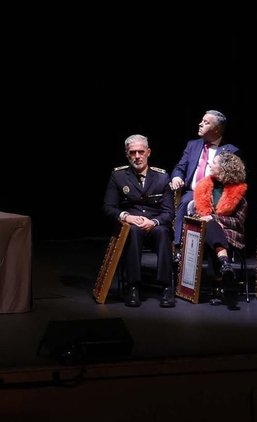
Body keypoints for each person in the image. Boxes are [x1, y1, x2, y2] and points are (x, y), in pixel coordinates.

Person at [101, 135, 177, 308]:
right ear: (127, 155)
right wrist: (127, 217)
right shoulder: (118, 176)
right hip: (131, 224)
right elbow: (108, 207)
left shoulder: (162, 177)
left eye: (141, 152)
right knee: (132, 231)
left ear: (148, 152)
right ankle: (133, 286)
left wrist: (154, 222)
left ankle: (166, 287)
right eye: (132, 152)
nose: (137, 156)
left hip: (155, 224)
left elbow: (168, 212)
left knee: (164, 232)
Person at [168, 110, 240, 245]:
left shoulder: (230, 150)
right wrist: (176, 177)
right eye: (202, 121)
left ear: (217, 129)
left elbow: (231, 179)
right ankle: (179, 245)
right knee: (184, 202)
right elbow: (180, 167)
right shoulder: (193, 145)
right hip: (192, 192)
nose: (200, 124)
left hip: (215, 194)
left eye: (206, 123)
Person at [192, 151, 249, 307]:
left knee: (211, 230)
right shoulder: (204, 187)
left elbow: (238, 222)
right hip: (205, 232)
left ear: (225, 168)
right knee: (210, 229)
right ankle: (225, 265)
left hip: (231, 234)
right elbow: (196, 215)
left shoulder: (238, 194)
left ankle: (217, 285)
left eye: (214, 163)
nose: (210, 164)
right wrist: (212, 221)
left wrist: (215, 219)